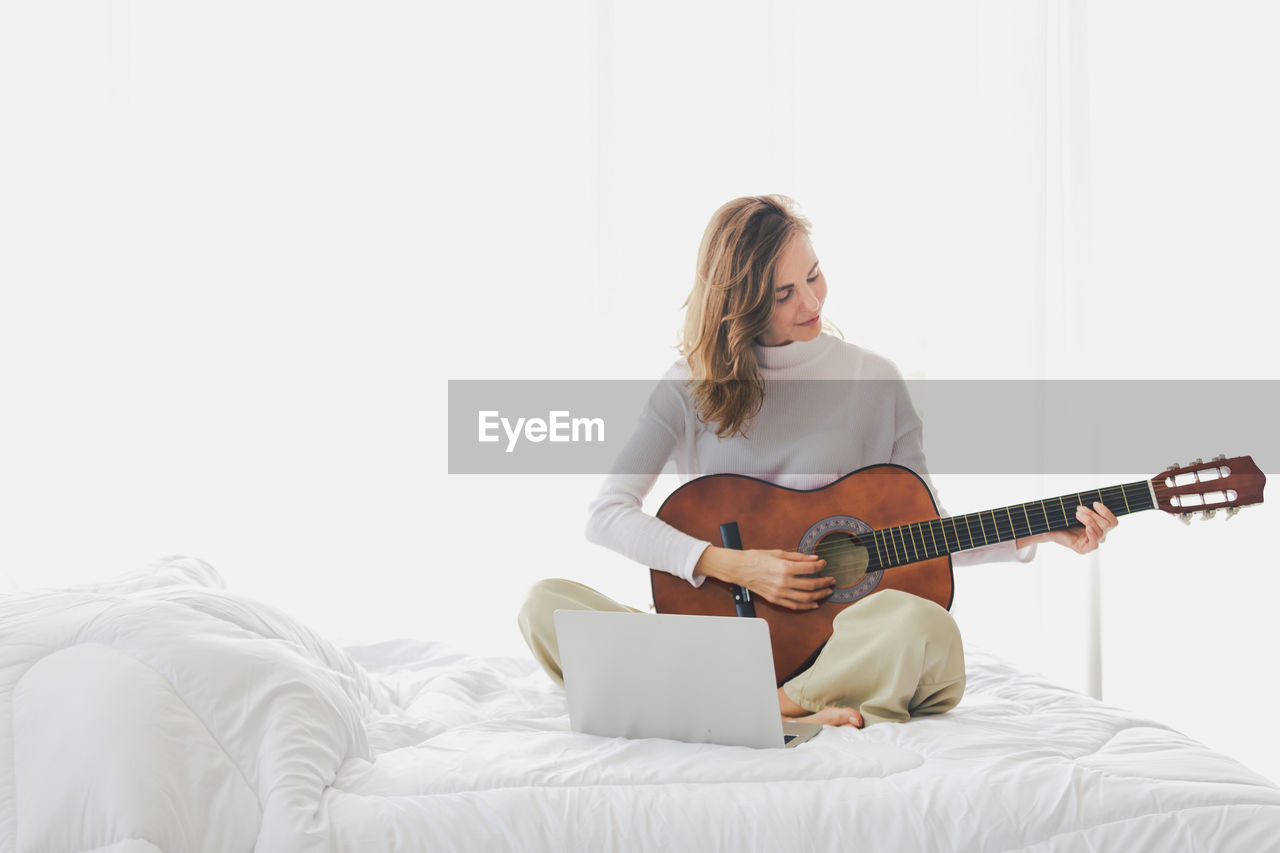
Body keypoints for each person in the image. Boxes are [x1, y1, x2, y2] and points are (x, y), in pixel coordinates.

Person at [518, 194, 1118, 728]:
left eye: (815, 275)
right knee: (546, 605)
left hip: (832, 647)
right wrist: (736, 566)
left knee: (924, 630)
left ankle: (772, 700)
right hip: (715, 639)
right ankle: (778, 703)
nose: (811, 301)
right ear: (739, 304)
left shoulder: (874, 381)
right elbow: (607, 515)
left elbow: (924, 533)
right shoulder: (687, 388)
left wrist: (1038, 531)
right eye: (784, 293)